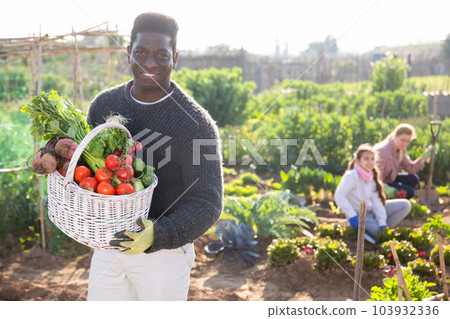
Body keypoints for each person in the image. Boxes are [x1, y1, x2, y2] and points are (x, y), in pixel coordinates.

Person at [86, 12, 223, 301]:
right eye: (141, 53)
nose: (150, 63)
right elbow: (84, 167)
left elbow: (208, 200)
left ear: (175, 58)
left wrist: (157, 234)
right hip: (107, 247)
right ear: (128, 53)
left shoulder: (195, 124)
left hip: (163, 255)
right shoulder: (104, 105)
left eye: (161, 55)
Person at [334, 144, 411, 239]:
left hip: (371, 211)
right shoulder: (352, 176)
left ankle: (384, 229)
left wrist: (382, 223)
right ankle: (377, 233)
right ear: (358, 161)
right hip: (359, 214)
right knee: (378, 235)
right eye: (366, 159)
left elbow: (376, 203)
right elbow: (339, 195)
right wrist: (352, 215)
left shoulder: (371, 176)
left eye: (372, 159)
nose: (370, 162)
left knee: (405, 205)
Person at [374, 123, 435, 199]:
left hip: (390, 178)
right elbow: (375, 177)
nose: (405, 144)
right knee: (410, 191)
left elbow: (410, 168)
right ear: (395, 136)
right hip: (381, 181)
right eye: (403, 140)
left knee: (414, 178)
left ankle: (398, 195)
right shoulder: (384, 153)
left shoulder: (401, 149)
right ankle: (391, 199)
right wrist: (385, 188)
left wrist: (424, 157)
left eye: (408, 141)